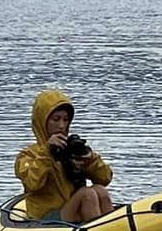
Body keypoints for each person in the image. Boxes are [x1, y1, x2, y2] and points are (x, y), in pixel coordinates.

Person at [13, 88, 114, 223]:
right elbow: (33, 184)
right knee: (87, 194)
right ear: (43, 121)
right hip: (45, 217)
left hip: (73, 209)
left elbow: (105, 179)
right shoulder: (27, 155)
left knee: (100, 190)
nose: (61, 125)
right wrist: (47, 153)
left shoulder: (71, 149)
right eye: (56, 119)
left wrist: (90, 160)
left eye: (66, 120)